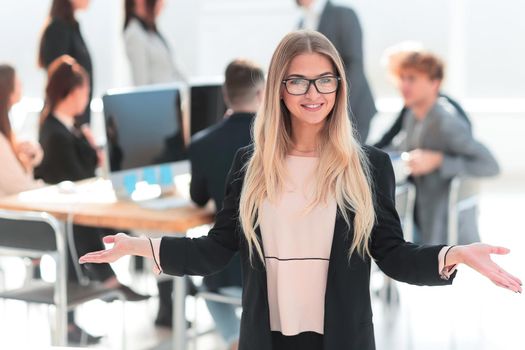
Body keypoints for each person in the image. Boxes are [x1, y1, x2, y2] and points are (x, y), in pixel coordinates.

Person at [79, 31, 521, 350]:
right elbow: (216, 250)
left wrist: (453, 255)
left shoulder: (368, 166)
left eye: (325, 79)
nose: (314, 93)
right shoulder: (250, 165)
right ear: (280, 90)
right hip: (266, 337)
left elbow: (392, 253)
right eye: (298, 81)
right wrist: (138, 246)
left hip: (341, 338)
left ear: (339, 86)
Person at [35, 55, 148, 345]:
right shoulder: (54, 132)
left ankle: (114, 271)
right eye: (84, 91)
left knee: (109, 223)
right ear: (72, 93)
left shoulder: (69, 127)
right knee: (86, 225)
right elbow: (78, 175)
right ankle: (109, 276)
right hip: (60, 217)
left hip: (75, 210)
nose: (86, 98)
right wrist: (94, 154)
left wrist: (90, 147)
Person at [384, 49, 500, 245]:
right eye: (402, 78)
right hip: (416, 217)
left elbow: (490, 165)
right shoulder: (412, 116)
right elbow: (397, 148)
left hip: (439, 229)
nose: (404, 85)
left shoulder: (446, 121)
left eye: (412, 78)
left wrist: (439, 161)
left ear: (434, 83)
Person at [187, 58, 264, 349]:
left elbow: (197, 198)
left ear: (225, 95)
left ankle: (235, 340)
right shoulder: (275, 140)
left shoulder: (201, 143)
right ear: (261, 95)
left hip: (224, 270)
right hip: (271, 270)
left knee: (205, 282)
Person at [296, 0, 376, 143]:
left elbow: (355, 64)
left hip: (352, 107)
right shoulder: (302, 21)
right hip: (322, 109)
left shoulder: (343, 14)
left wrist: (340, 106)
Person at [38, 0, 93, 125]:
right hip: (63, 127)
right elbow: (58, 81)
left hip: (74, 124)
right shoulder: (58, 28)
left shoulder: (72, 27)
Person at [0, 64, 43, 197]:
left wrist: (31, 156)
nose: (22, 86)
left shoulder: (8, 131)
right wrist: (45, 187)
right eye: (18, 83)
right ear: (8, 89)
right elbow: (20, 187)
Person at [124, 0, 185, 85]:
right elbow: (141, 84)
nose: (162, 3)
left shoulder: (151, 32)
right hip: (160, 96)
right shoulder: (134, 35)